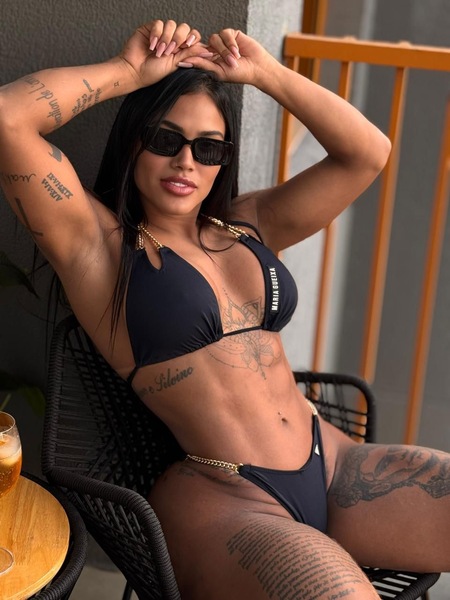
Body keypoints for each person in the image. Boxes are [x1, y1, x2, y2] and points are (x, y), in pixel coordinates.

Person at [0, 18, 448, 600]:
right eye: (166, 140)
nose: (187, 162)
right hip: (230, 498)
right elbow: (9, 119)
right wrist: (127, 71)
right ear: (135, 140)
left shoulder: (248, 224)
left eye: (208, 148)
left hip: (332, 463)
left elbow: (367, 152)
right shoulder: (99, 248)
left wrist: (265, 74)